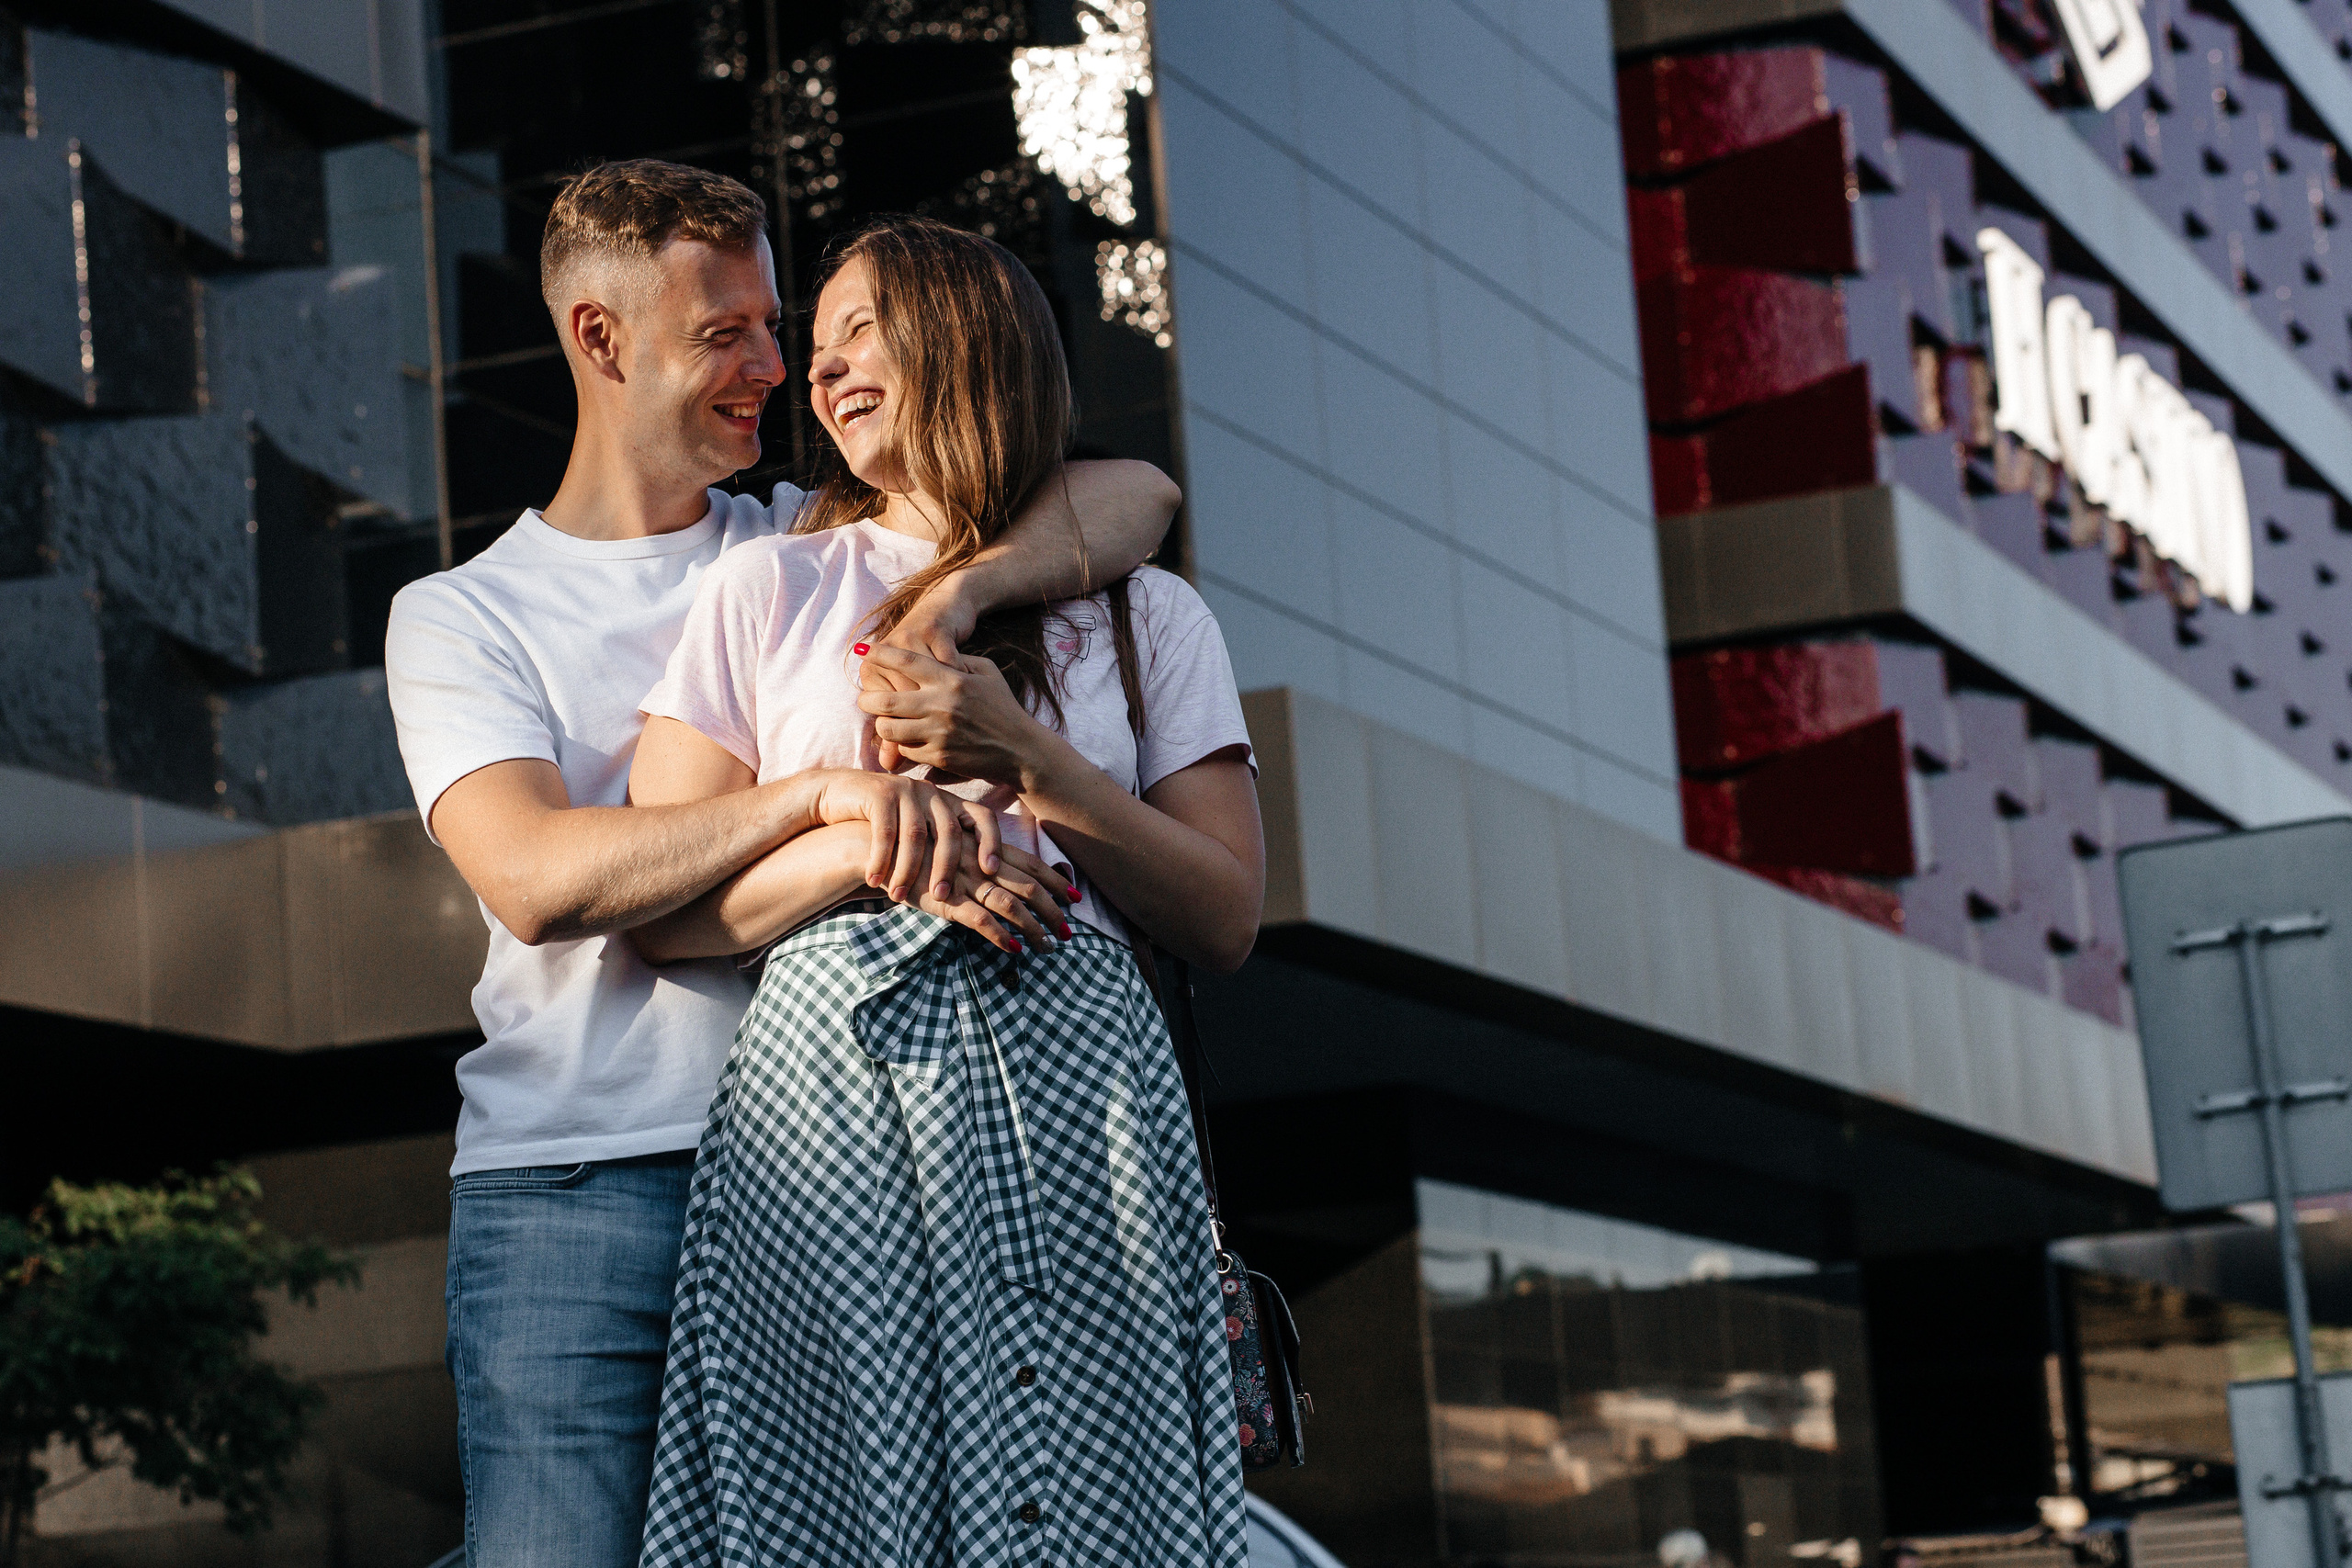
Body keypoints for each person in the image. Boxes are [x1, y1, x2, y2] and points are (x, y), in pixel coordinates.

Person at [381, 162, 1180, 1568]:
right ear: (600, 338)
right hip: (584, 1182)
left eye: (776, 324)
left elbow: (1135, 493)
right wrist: (827, 801)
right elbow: (536, 876)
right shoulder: (463, 616)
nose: (774, 367)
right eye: (725, 334)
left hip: (843, 1160)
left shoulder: (806, 544)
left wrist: (971, 590)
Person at [623, 215, 1262, 1566]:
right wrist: (870, 845)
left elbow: (1225, 912)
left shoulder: (1147, 612)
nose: (823, 368)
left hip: (1089, 1096)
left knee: (1096, 1499)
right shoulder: (770, 585)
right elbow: (663, 898)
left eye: (862, 330)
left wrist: (1026, 761)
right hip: (838, 1092)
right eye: (821, 344)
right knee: (846, 1503)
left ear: (967, 338)